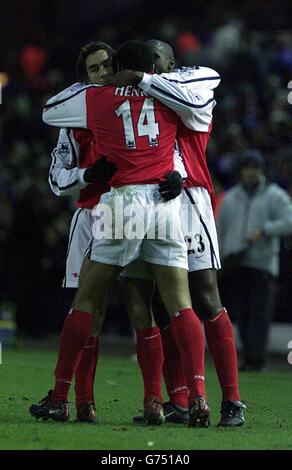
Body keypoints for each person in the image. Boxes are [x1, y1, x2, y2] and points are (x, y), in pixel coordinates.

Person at [30, 40, 210, 427]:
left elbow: (49, 111)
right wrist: (146, 80)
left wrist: (100, 84)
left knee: (88, 301)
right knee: (181, 304)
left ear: (117, 67)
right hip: (164, 204)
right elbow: (200, 99)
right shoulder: (169, 96)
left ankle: (60, 397)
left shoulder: (95, 99)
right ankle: (198, 398)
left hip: (122, 201)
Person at [108, 39, 245, 426]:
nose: (165, 66)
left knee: (205, 296)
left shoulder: (196, 78)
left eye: (161, 62)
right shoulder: (132, 96)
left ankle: (232, 401)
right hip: (146, 199)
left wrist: (142, 79)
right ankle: (179, 399)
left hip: (190, 201)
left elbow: (200, 101)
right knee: (158, 304)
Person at [48, 41, 116, 422]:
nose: (103, 73)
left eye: (107, 65)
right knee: (91, 310)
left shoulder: (139, 103)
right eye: (94, 69)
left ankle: (167, 400)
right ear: (84, 76)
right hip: (92, 215)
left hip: (138, 212)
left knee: (149, 306)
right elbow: (57, 178)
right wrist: (85, 174)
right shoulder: (72, 122)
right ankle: (84, 401)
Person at [217, 149, 292, 371]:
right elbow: (220, 230)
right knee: (241, 313)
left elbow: (290, 221)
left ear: (261, 170)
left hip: (262, 263)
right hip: (236, 262)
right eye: (247, 168)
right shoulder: (231, 197)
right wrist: (219, 259)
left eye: (255, 168)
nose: (251, 172)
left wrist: (265, 229)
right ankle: (249, 357)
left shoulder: (274, 195)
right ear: (241, 171)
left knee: (259, 313)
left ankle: (256, 359)